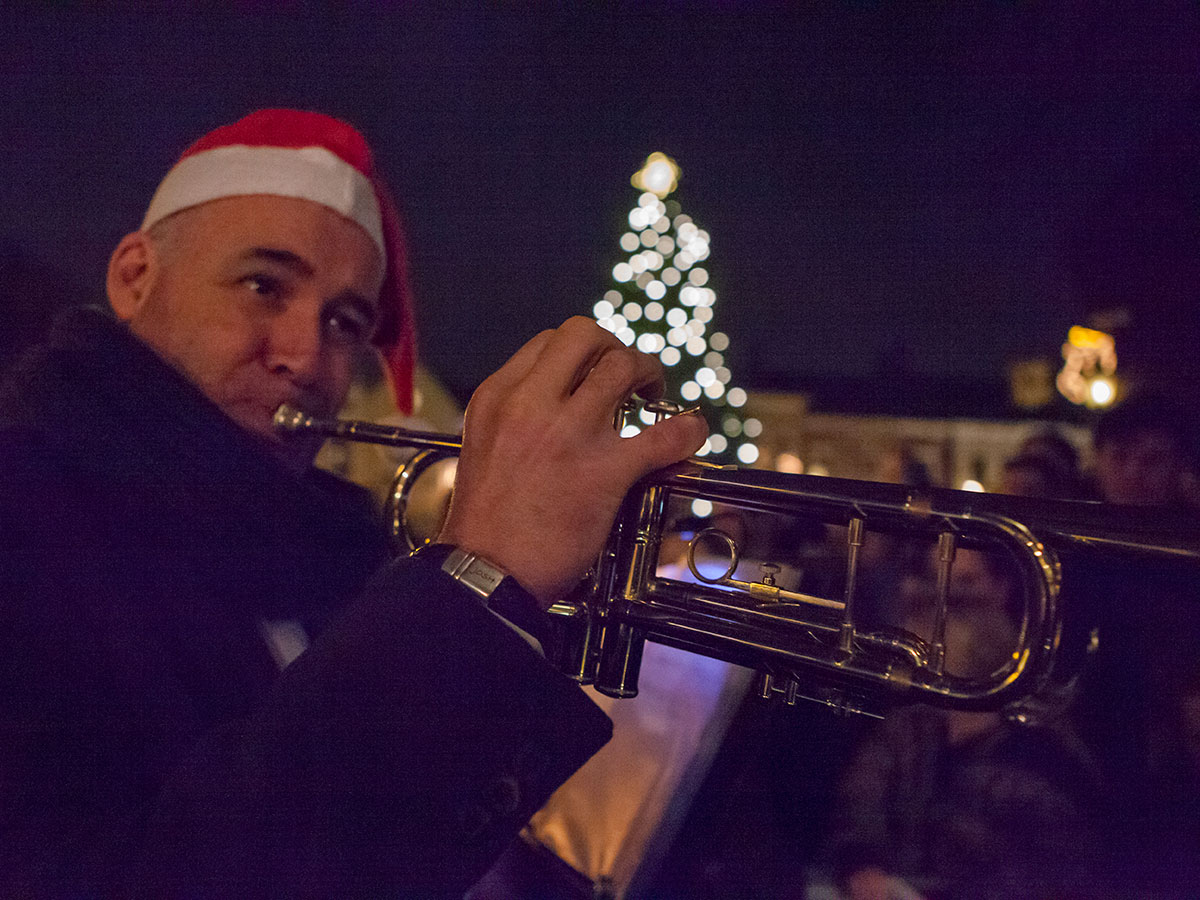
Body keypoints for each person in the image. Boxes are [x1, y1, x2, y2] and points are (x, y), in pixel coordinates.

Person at [0, 109, 706, 897]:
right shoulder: (24, 511)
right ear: (135, 277)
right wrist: (482, 581)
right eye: (263, 285)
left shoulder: (329, 550)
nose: (306, 358)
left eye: (345, 322)